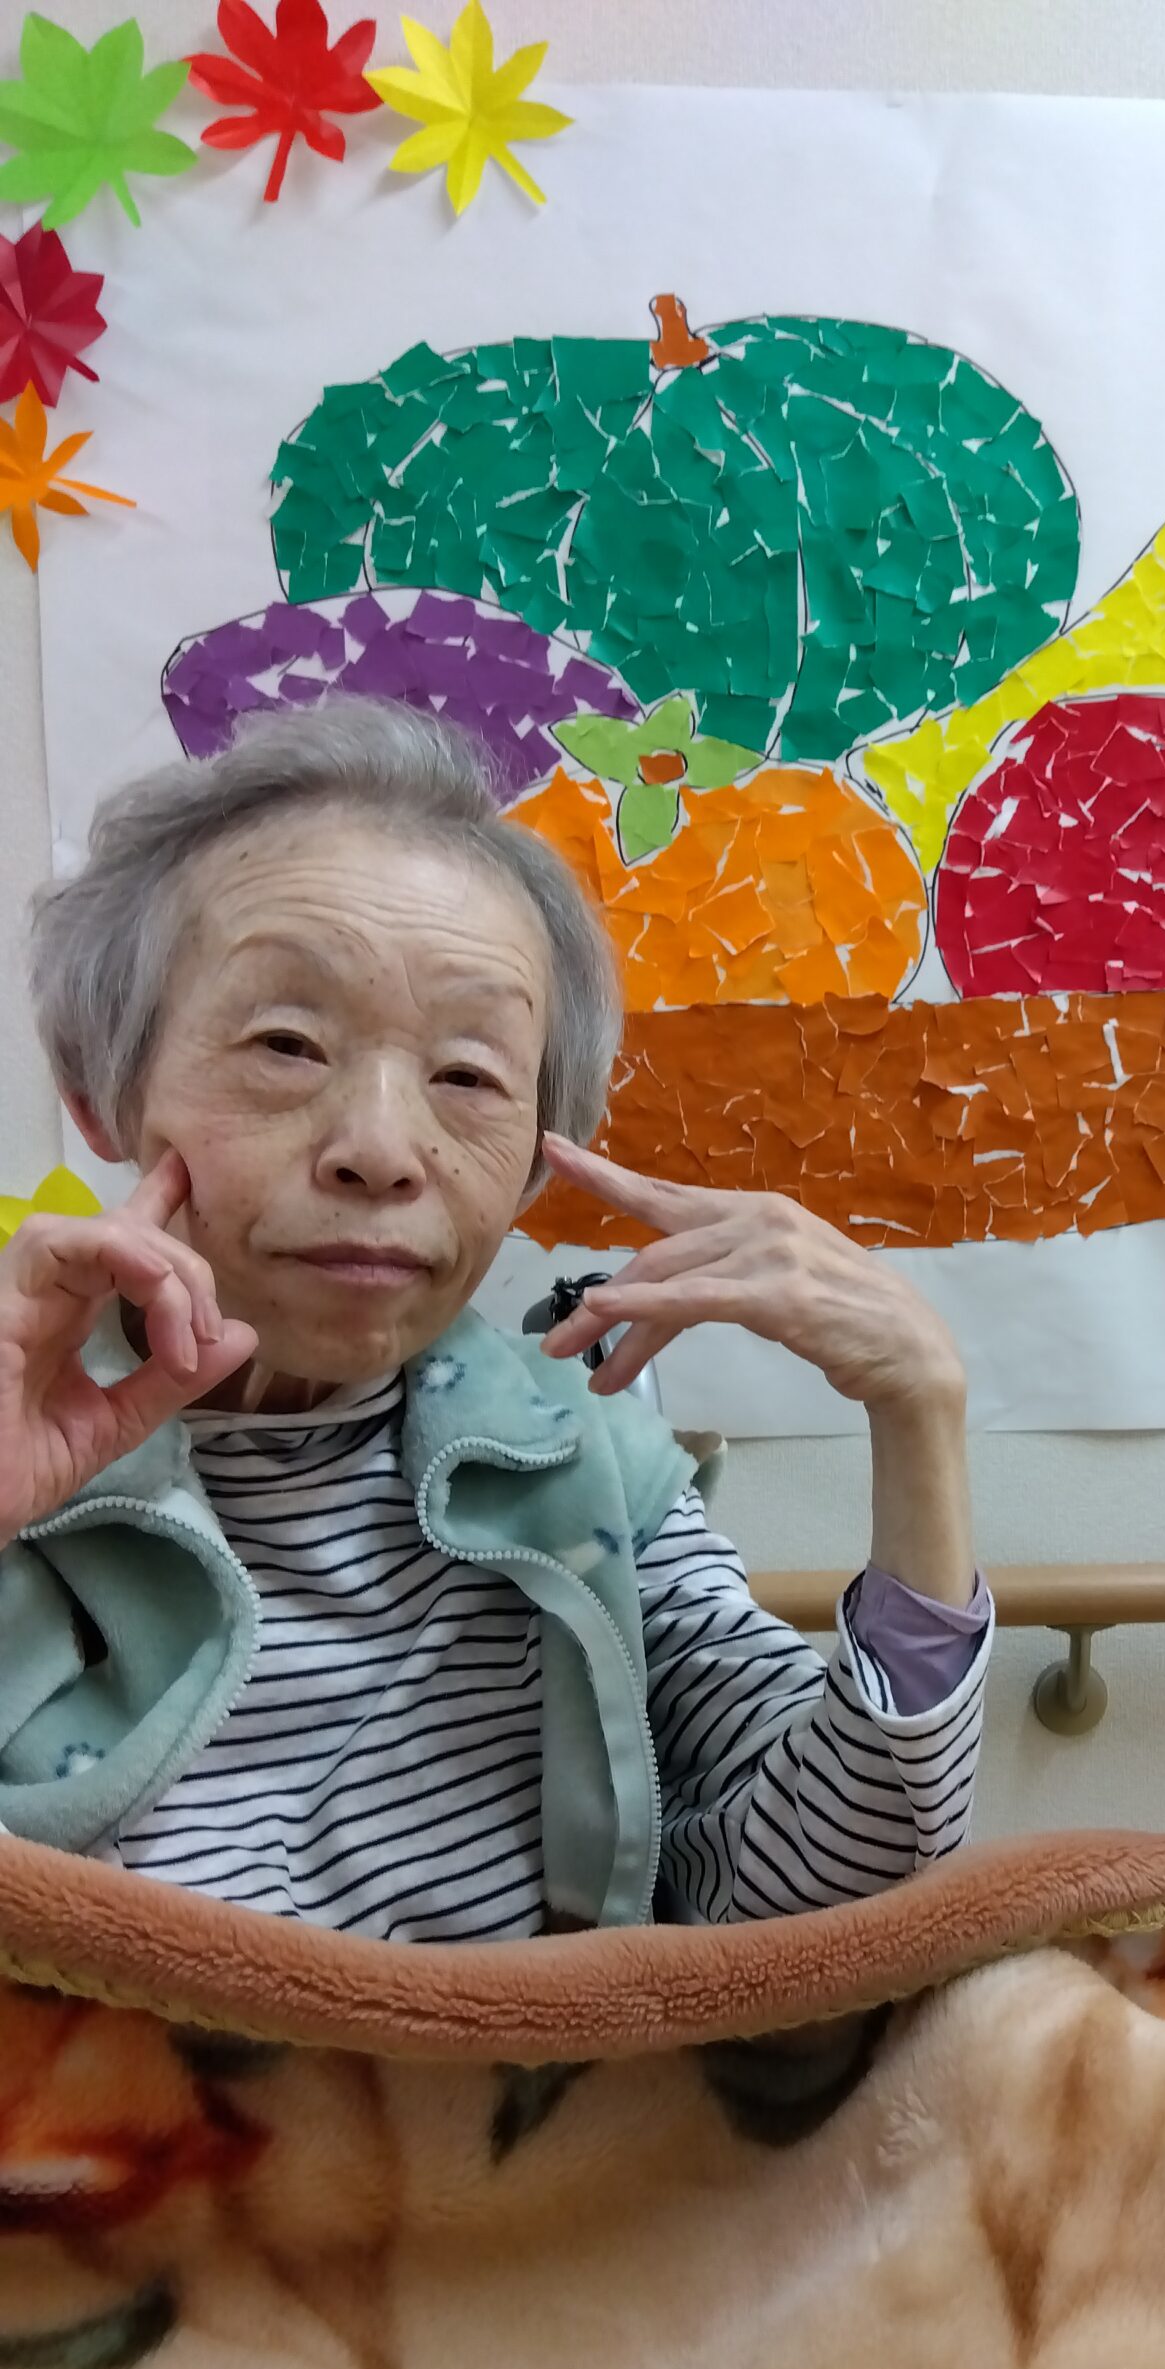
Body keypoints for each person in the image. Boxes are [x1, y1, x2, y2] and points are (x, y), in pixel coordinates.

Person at [0, 700, 989, 1944]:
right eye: (287, 1044)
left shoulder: (578, 1459)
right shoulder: (19, 1427)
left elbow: (832, 1877)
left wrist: (920, 1409)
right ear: (101, 1093)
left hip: (526, 2072)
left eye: (467, 1075)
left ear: (529, 1162)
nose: (380, 1149)